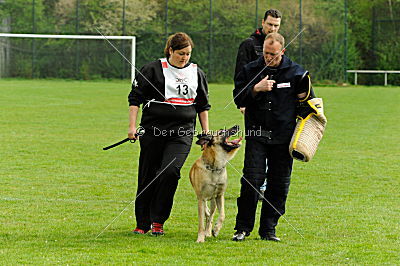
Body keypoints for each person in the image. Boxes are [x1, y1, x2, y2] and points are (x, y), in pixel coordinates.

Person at [232, 32, 315, 242]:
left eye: (274, 55)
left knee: (279, 185)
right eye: (266, 54)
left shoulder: (296, 73)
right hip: (257, 133)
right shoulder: (251, 70)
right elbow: (237, 97)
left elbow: (309, 104)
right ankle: (242, 228)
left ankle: (269, 230)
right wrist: (255, 89)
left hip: (284, 137)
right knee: (252, 181)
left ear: (283, 51)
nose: (269, 58)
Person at [128, 32, 210, 236]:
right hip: (153, 131)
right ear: (170, 51)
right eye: (181, 53)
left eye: (188, 54)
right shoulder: (152, 69)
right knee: (148, 175)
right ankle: (142, 223)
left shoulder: (197, 73)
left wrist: (206, 133)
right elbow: (135, 99)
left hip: (181, 133)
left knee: (170, 171)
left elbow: (202, 105)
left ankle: (158, 220)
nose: (185, 58)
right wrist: (131, 127)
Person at [234, 8, 282, 200]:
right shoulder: (248, 44)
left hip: (275, 105)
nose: (272, 28)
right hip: (253, 102)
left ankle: (265, 185)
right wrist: (243, 103)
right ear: (262, 22)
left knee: (275, 142)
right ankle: (257, 184)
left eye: (276, 25)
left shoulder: (278, 43)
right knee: (256, 143)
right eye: (269, 24)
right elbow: (239, 75)